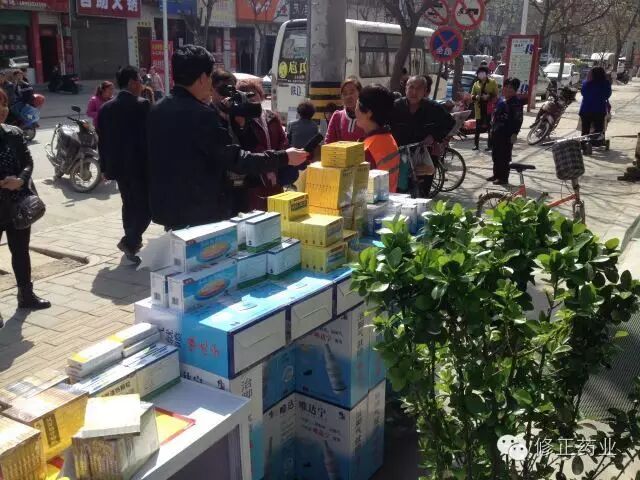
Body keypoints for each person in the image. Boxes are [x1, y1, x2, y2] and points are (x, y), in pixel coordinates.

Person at [147, 44, 308, 230]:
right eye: (210, 78)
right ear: (202, 78)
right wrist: (285, 157)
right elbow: (236, 159)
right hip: (200, 213)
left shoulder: (155, 110)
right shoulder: (202, 115)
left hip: (167, 209)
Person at [0, 88, 50, 317]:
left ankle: (26, 296)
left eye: (4, 104)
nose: (2, 110)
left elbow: (28, 163)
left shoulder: (14, 133)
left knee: (20, 252)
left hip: (17, 204)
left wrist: (20, 180)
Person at [97, 66, 151, 264]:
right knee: (146, 207)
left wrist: (104, 168)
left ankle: (131, 241)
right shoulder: (142, 105)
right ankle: (130, 241)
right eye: (140, 80)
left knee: (128, 204)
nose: (142, 84)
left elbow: (101, 141)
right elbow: (150, 137)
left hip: (118, 168)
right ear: (131, 82)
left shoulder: (106, 108)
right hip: (140, 167)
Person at [391, 75, 455, 195]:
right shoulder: (395, 106)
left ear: (425, 91)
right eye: (411, 87)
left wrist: (434, 136)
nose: (414, 92)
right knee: (399, 193)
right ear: (406, 88)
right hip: (399, 157)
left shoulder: (434, 108)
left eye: (419, 88)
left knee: (422, 192)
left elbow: (450, 123)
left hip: (425, 157)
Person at [236, 78, 292, 211]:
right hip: (256, 175)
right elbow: (249, 146)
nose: (251, 97)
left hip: (276, 171)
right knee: (258, 211)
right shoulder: (242, 120)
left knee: (277, 210)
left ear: (261, 95)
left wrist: (280, 157)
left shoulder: (272, 116)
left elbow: (283, 140)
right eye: (246, 95)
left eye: (253, 93)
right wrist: (268, 160)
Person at [355, 84, 400, 193]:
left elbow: (358, 189)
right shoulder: (389, 138)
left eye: (357, 105)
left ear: (368, 113)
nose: (355, 110)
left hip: (372, 202)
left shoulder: (367, 149)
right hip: (387, 198)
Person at [488, 77, 524, 185]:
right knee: (496, 155)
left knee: (504, 156)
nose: (508, 89)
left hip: (507, 134)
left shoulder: (516, 103)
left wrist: (515, 133)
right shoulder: (502, 100)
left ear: (515, 90)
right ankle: (496, 175)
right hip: (497, 132)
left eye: (511, 88)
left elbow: (518, 119)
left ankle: (503, 178)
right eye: (506, 87)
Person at [325, 76, 365, 144]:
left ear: (360, 93)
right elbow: (328, 142)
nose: (348, 96)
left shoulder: (367, 116)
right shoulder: (337, 116)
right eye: (345, 94)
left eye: (352, 92)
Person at [579, 66, 611, 145]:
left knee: (585, 130)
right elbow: (607, 95)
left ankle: (584, 144)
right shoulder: (606, 83)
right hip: (599, 110)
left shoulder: (586, 83)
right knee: (598, 129)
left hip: (585, 110)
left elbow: (583, 93)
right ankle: (597, 142)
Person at [471, 65, 499, 151]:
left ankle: (490, 145)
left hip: (489, 107)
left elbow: (496, 95)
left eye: (483, 73)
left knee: (489, 127)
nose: (481, 74)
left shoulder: (492, 82)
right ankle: (476, 145)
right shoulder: (476, 83)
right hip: (479, 108)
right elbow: (472, 95)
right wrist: (476, 97)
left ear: (486, 74)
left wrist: (488, 96)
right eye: (479, 73)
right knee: (477, 127)